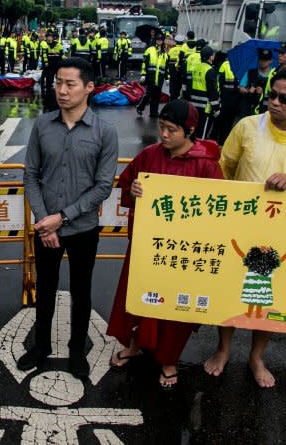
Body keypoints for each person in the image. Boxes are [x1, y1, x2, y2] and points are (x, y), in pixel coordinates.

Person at [203, 66, 286, 388]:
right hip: (240, 224)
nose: (273, 102)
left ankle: (256, 356)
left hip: (285, 233)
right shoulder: (248, 126)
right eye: (271, 95)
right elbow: (225, 167)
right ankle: (223, 348)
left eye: (283, 98)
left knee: (269, 296)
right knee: (229, 291)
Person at [107, 100, 223, 389]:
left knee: (175, 308)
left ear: (190, 131)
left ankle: (169, 359)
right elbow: (127, 184)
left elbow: (220, 210)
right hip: (147, 246)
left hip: (183, 251)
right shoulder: (149, 155)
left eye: (172, 129)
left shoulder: (206, 165)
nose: (164, 135)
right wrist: (133, 191)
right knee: (137, 299)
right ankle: (134, 345)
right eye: (161, 127)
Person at [19, 57, 118, 378]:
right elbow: (31, 175)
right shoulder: (43, 125)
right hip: (46, 227)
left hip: (83, 229)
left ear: (89, 88)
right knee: (45, 289)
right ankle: (42, 345)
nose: (61, 90)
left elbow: (103, 186)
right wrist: (45, 219)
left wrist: (62, 217)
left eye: (70, 84)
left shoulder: (105, 132)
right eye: (58, 83)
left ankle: (77, 350)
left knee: (81, 290)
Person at [184, 46, 220, 139]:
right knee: (202, 134)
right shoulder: (210, 70)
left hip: (193, 105)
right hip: (205, 108)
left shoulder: (195, 68)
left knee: (193, 131)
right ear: (211, 57)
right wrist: (216, 108)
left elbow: (189, 86)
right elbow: (212, 91)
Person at [137, 34, 167, 118]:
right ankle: (140, 107)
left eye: (161, 40)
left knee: (156, 96)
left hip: (159, 78)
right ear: (155, 40)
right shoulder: (150, 50)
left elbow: (166, 66)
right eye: (158, 40)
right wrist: (143, 74)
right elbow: (144, 63)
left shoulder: (164, 52)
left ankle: (153, 112)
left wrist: (167, 78)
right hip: (151, 76)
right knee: (148, 94)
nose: (159, 41)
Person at [214, 52, 240, 145]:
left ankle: (219, 142)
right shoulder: (240, 65)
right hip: (230, 101)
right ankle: (221, 142)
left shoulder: (225, 65)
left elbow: (218, 82)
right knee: (226, 123)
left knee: (222, 122)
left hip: (227, 100)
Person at [239, 49, 274, 117]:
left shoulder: (274, 74)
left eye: (266, 60)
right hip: (248, 108)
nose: (263, 62)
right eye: (261, 59)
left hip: (264, 110)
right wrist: (247, 91)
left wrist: (263, 93)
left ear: (271, 60)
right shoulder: (250, 72)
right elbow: (240, 87)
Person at [39, 32, 65, 107]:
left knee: (57, 76)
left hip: (56, 63)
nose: (49, 38)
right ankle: (48, 90)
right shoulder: (45, 44)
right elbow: (44, 54)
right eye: (48, 37)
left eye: (50, 37)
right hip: (49, 63)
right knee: (48, 76)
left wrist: (63, 62)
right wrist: (45, 61)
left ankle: (55, 88)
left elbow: (61, 54)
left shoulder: (58, 44)